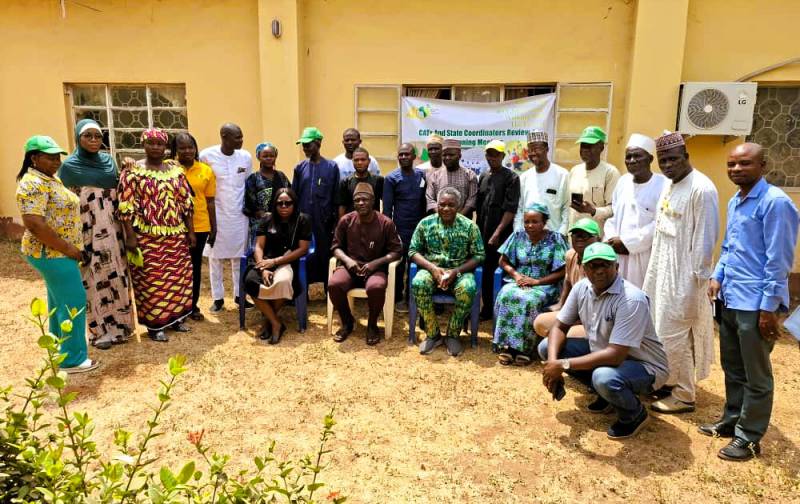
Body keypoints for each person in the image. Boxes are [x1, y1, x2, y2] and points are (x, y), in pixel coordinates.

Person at [703, 143, 799, 461]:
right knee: (733, 367)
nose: (736, 169)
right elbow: (730, 245)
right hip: (731, 296)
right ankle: (731, 421)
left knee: (756, 373)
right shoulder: (736, 201)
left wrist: (769, 308)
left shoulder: (776, 203)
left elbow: (779, 260)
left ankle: (749, 438)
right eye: (731, 164)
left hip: (756, 303)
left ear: (763, 165)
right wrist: (717, 275)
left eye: (744, 164)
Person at [540, 243, 669, 439]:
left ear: (616, 267)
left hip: (645, 366)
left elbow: (615, 355)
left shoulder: (631, 299)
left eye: (605, 265)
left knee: (604, 377)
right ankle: (606, 395)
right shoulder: (582, 288)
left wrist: (562, 364)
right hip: (605, 355)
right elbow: (559, 327)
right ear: (584, 268)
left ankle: (634, 414)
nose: (599, 270)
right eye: (593, 265)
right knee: (546, 347)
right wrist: (553, 362)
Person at [643, 132, 719, 414]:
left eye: (673, 159)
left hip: (685, 279)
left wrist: (693, 285)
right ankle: (668, 381)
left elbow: (705, 242)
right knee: (661, 331)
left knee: (681, 335)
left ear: (686, 156)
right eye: (663, 161)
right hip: (662, 272)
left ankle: (685, 394)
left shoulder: (702, 189)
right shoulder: (669, 185)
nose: (668, 165)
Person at [16, 135, 98, 373]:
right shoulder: (32, 183)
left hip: (57, 252)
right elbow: (34, 223)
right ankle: (72, 360)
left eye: (57, 157)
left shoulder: (48, 179)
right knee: (73, 302)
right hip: (52, 253)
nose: (56, 162)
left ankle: (58, 348)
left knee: (58, 301)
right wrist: (70, 249)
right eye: (49, 157)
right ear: (34, 158)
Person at [59, 119, 133, 348]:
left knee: (117, 274)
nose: (93, 141)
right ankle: (99, 332)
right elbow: (65, 203)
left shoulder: (108, 162)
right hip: (87, 230)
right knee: (93, 278)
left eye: (98, 136)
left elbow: (121, 191)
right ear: (78, 138)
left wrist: (127, 169)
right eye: (88, 136)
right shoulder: (70, 167)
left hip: (113, 230)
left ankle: (121, 328)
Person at [119, 129, 195, 342]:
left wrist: (190, 231)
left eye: (159, 144)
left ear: (165, 147)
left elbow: (185, 202)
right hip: (147, 236)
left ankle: (177, 318)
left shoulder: (175, 170)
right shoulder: (133, 171)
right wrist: (131, 236)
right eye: (150, 143)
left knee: (179, 279)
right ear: (143, 145)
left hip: (175, 235)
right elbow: (126, 206)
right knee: (152, 281)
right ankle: (155, 325)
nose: (155, 147)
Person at [410, 187, 485, 357]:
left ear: (458, 206)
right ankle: (433, 334)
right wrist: (433, 269)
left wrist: (456, 272)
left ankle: (452, 334)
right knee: (418, 282)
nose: (446, 208)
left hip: (458, 273)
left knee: (468, 287)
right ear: (436, 204)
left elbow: (479, 255)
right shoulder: (425, 224)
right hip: (431, 270)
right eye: (442, 204)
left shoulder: (469, 227)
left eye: (451, 205)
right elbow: (413, 251)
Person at [493, 204, 567, 365]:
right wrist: (516, 275)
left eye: (535, 222)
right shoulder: (517, 236)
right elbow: (502, 261)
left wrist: (537, 281)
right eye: (526, 222)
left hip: (544, 284)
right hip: (518, 281)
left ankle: (524, 348)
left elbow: (562, 271)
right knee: (506, 294)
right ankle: (507, 346)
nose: (530, 225)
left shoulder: (556, 239)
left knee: (529, 300)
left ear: (544, 222)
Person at [329, 183, 402, 345]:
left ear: (373, 201)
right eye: (357, 200)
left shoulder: (385, 223)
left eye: (365, 199)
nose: (361, 203)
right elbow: (335, 247)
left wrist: (375, 263)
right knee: (334, 284)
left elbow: (397, 251)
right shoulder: (346, 220)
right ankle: (348, 321)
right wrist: (348, 261)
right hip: (350, 268)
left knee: (376, 287)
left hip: (375, 269)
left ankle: (372, 324)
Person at [243, 188, 312, 345]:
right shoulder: (267, 219)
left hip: (287, 261)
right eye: (280, 203)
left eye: (288, 203)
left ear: (294, 204)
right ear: (274, 205)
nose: (284, 206)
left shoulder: (302, 220)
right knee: (250, 281)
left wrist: (275, 262)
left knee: (283, 281)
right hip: (265, 262)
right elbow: (259, 246)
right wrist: (263, 267)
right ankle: (276, 322)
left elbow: (303, 249)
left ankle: (269, 321)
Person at [200, 123, 253, 312]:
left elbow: (247, 183)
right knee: (215, 259)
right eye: (237, 137)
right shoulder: (207, 156)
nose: (241, 140)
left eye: (241, 137)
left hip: (239, 215)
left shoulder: (245, 157)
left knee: (239, 257)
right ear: (224, 136)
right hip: (216, 215)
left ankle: (240, 296)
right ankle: (218, 298)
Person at [603, 134, 667, 288]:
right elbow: (614, 215)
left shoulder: (663, 185)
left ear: (650, 159)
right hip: (618, 253)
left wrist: (628, 243)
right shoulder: (623, 182)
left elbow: (660, 223)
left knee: (641, 296)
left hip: (644, 256)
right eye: (628, 156)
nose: (632, 160)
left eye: (637, 156)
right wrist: (612, 239)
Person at [172, 132, 217, 321]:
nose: (187, 151)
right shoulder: (168, 168)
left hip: (200, 226)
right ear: (175, 150)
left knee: (194, 267)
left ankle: (193, 305)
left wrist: (214, 228)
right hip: (173, 226)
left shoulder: (205, 170)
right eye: (182, 148)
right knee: (176, 268)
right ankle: (176, 308)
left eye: (191, 147)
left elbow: (210, 202)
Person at [533, 218, 600, 339]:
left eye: (585, 235)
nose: (579, 238)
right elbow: (568, 281)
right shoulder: (571, 255)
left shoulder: (601, 262)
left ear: (597, 239)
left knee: (558, 336)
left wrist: (566, 324)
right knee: (540, 323)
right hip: (576, 312)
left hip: (596, 318)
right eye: (575, 235)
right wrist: (561, 303)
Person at [476, 140, 520, 320]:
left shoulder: (512, 178)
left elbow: (510, 209)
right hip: (483, 233)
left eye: (496, 154)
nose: (492, 158)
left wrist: (497, 233)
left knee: (500, 271)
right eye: (489, 154)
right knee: (485, 271)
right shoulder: (483, 176)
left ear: (502, 156)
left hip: (502, 235)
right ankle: (487, 308)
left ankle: (501, 310)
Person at [292, 126, 341, 287]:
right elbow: (294, 195)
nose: (305, 148)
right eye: (303, 145)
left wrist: (335, 222)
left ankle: (328, 288)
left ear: (318, 143)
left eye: (308, 144)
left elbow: (336, 196)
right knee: (304, 255)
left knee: (324, 254)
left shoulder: (331, 167)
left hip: (324, 222)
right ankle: (303, 289)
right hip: (304, 222)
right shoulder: (299, 168)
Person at [382, 143, 427, 313]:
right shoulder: (391, 178)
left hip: (419, 229)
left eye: (407, 154)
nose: (403, 157)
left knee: (417, 264)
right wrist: (390, 232)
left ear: (414, 156)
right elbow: (387, 209)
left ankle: (412, 297)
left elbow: (425, 202)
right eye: (400, 154)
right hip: (399, 229)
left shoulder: (422, 176)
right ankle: (397, 298)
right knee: (399, 266)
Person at [567, 126, 620, 233]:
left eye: (590, 146)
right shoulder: (574, 171)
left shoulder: (610, 173)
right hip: (575, 236)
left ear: (601, 147)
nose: (585, 150)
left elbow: (614, 209)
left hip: (596, 237)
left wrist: (593, 211)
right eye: (583, 146)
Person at [516, 130, 569, 234]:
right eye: (530, 150)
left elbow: (566, 209)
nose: (533, 153)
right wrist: (518, 233)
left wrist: (561, 235)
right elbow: (520, 209)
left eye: (537, 149)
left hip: (554, 238)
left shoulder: (562, 175)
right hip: (528, 239)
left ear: (547, 149)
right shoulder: (524, 177)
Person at [243, 142, 290, 237]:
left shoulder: (281, 176)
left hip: (281, 222)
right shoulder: (253, 178)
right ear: (259, 157)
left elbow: (290, 196)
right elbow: (250, 203)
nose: (269, 158)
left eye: (271, 156)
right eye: (265, 156)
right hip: (260, 225)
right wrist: (264, 215)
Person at [425, 139, 478, 217]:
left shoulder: (470, 175)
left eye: (451, 155)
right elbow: (430, 199)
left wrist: (458, 218)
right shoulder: (435, 176)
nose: (447, 158)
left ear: (459, 156)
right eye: (444, 155)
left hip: (464, 223)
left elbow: (472, 200)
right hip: (440, 222)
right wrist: (443, 216)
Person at [339, 147, 384, 217]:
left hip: (373, 224)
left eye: (363, 160)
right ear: (352, 161)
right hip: (352, 224)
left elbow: (386, 203)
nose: (360, 163)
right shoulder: (345, 182)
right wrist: (342, 225)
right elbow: (342, 206)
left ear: (369, 161)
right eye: (356, 160)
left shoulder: (379, 180)